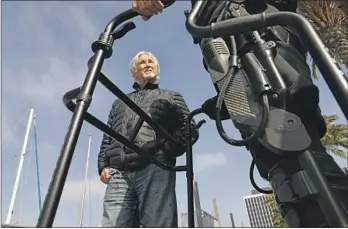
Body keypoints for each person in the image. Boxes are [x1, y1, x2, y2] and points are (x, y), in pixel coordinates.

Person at [131, 0, 348, 228]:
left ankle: (325, 211)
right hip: (219, 31)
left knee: (291, 123)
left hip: (257, 20)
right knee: (266, 143)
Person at [98, 51, 199, 227]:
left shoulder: (171, 96)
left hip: (155, 164)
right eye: (142, 62)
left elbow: (190, 130)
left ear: (156, 68)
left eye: (150, 61)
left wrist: (166, 149)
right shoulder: (120, 101)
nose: (147, 64)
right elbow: (108, 134)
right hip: (118, 171)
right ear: (134, 71)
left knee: (158, 224)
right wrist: (103, 164)